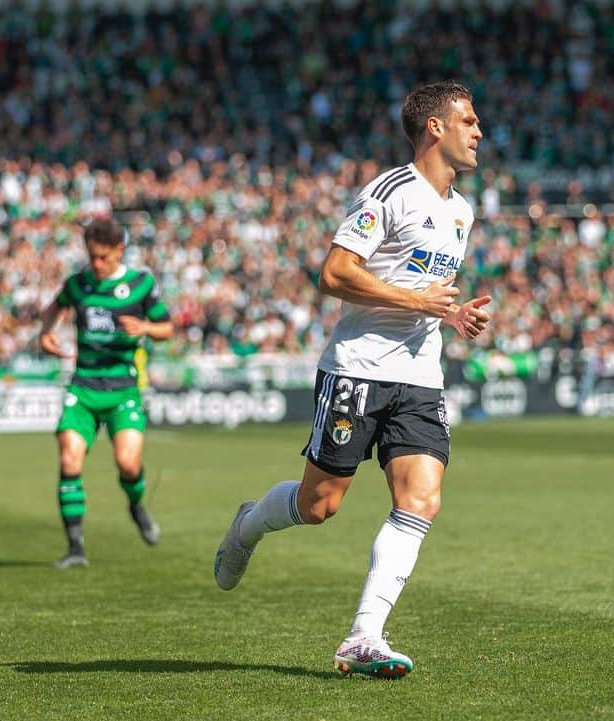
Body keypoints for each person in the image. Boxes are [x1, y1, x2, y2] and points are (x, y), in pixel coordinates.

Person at [213, 81, 492, 679]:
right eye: (467, 121)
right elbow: (335, 273)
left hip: (420, 376)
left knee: (421, 498)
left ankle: (364, 635)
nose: (478, 132)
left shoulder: (462, 211)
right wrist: (420, 301)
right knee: (319, 507)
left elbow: (422, 290)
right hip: (357, 369)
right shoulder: (390, 190)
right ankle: (249, 523)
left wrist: (451, 312)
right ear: (435, 128)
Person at [38, 217, 174, 568]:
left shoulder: (140, 284)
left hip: (123, 388)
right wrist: (46, 333)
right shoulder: (79, 284)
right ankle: (75, 547)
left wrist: (144, 327)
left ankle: (136, 504)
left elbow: (167, 328)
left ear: (119, 251)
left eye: (103, 257)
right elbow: (55, 306)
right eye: (92, 257)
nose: (96, 265)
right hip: (83, 387)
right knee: (69, 459)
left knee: (127, 463)